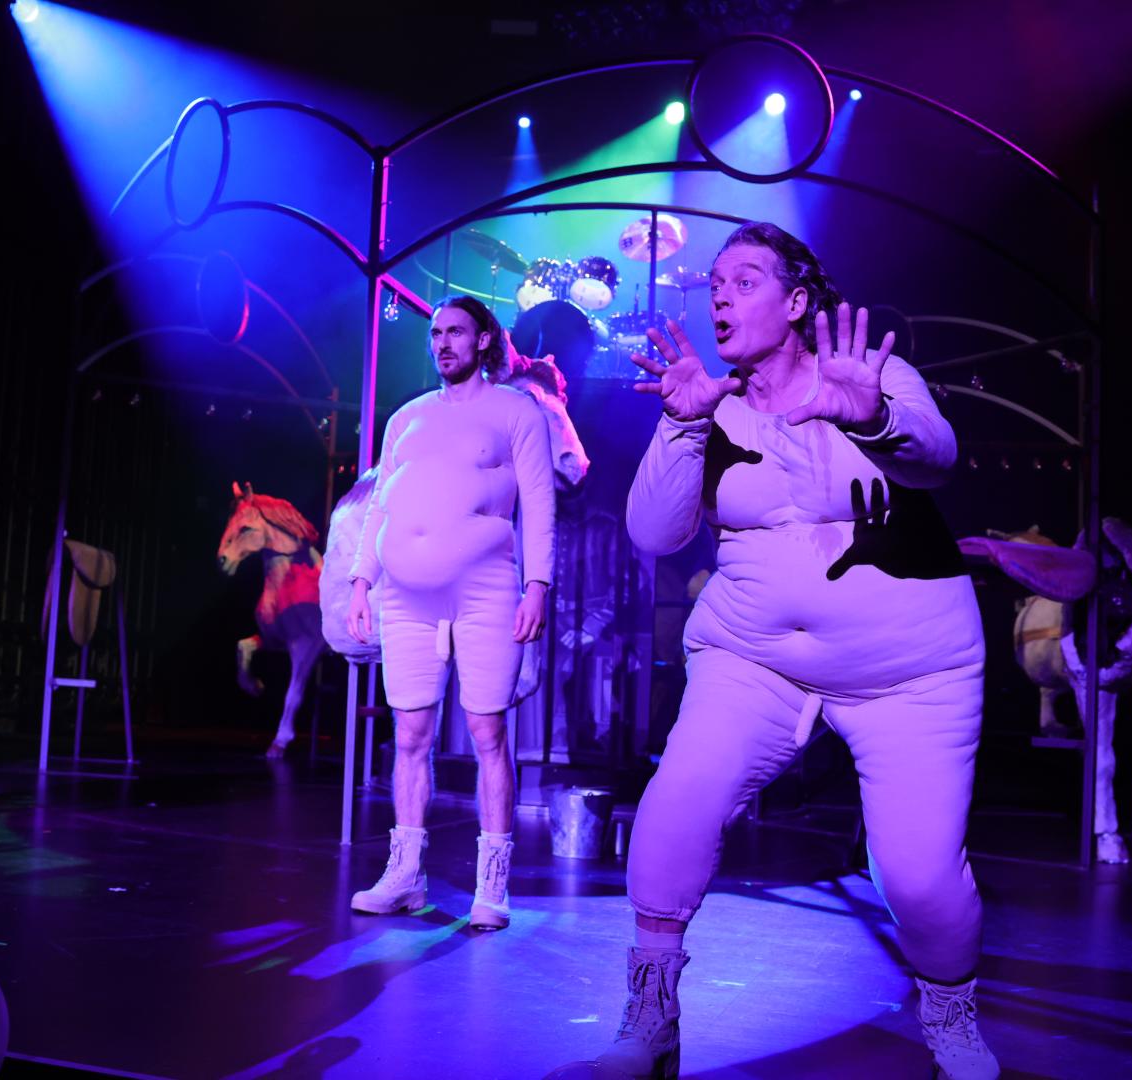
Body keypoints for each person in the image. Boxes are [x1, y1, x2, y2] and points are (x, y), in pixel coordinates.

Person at [596, 222, 997, 1078]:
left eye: (745, 281)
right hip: (754, 662)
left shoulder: (867, 372)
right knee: (674, 810)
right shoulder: (712, 403)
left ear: (797, 301)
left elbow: (937, 458)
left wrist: (872, 417)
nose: (721, 296)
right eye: (715, 284)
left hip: (908, 673)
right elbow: (654, 535)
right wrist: (681, 425)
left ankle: (952, 1015)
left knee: (919, 879)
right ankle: (651, 1013)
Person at [345, 295, 556, 931]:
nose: (442, 343)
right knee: (410, 733)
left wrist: (538, 584)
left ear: (483, 340)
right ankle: (406, 875)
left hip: (486, 589)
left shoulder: (516, 410)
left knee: (487, 733)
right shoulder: (406, 417)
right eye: (435, 333)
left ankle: (493, 883)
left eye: (455, 332)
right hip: (405, 595)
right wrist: (360, 580)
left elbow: (539, 502)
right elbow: (378, 503)